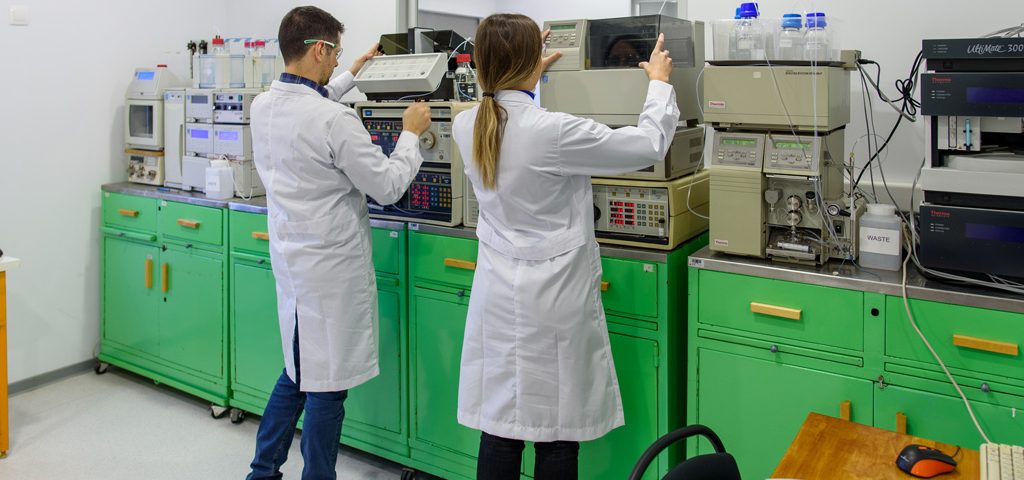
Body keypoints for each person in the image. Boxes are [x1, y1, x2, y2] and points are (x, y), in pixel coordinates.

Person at [451, 14, 678, 480]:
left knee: (500, 426)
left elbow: (506, 109)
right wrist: (658, 83)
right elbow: (648, 145)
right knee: (556, 431)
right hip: (553, 300)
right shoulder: (554, 131)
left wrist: (526, 68)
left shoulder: (466, 123)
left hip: (497, 296)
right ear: (530, 63)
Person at [246, 6, 431, 480]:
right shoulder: (336, 121)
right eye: (335, 53)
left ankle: (262, 472)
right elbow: (387, 186)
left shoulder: (263, 106)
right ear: (318, 50)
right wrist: (411, 136)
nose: (335, 61)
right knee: (327, 388)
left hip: (294, 266)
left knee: (297, 373)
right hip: (332, 273)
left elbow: (310, 105)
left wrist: (352, 72)